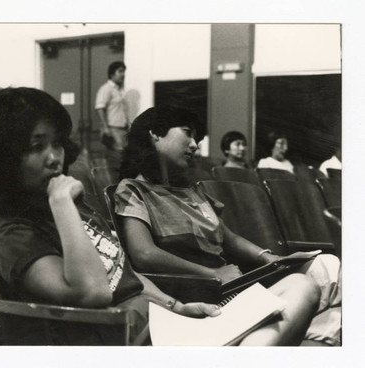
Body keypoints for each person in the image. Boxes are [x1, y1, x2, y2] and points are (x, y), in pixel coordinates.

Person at [0, 87, 319, 346]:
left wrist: (178, 306)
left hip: (163, 325)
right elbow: (94, 293)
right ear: (3, 158)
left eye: (57, 143)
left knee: (298, 286)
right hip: (128, 341)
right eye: (37, 147)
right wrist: (63, 204)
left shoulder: (66, 206)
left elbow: (124, 275)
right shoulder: (15, 232)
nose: (55, 157)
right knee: (294, 297)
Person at [115, 106, 341, 346]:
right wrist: (212, 273)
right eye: (187, 133)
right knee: (307, 288)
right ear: (155, 134)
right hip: (203, 297)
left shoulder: (190, 192)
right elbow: (143, 254)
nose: (195, 145)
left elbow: (227, 237)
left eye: (197, 139)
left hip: (232, 287)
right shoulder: (132, 189)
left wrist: (269, 258)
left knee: (330, 267)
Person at [95, 61, 130, 151]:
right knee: (118, 157)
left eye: (124, 72)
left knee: (124, 157)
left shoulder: (119, 90)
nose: (123, 75)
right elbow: (100, 108)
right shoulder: (106, 89)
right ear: (112, 74)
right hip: (112, 129)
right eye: (120, 71)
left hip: (122, 130)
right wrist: (106, 128)